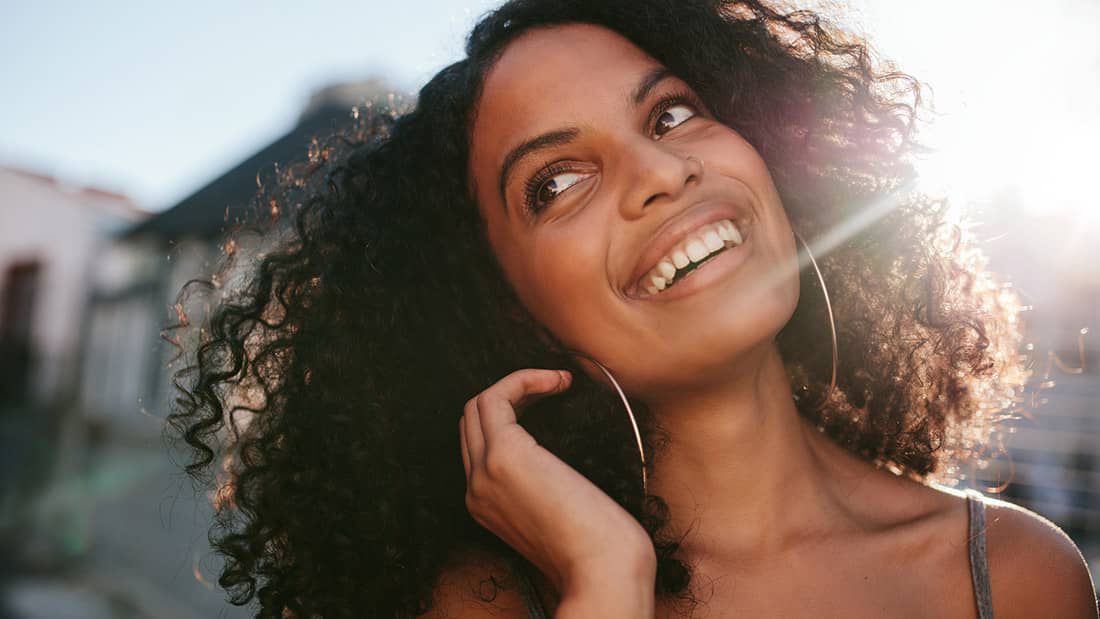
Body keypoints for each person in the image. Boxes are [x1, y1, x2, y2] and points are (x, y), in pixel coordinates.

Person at [167, 0, 1098, 617]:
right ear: (497, 305)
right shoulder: (485, 603)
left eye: (671, 114)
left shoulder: (1014, 578)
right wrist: (607, 587)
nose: (661, 173)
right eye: (556, 181)